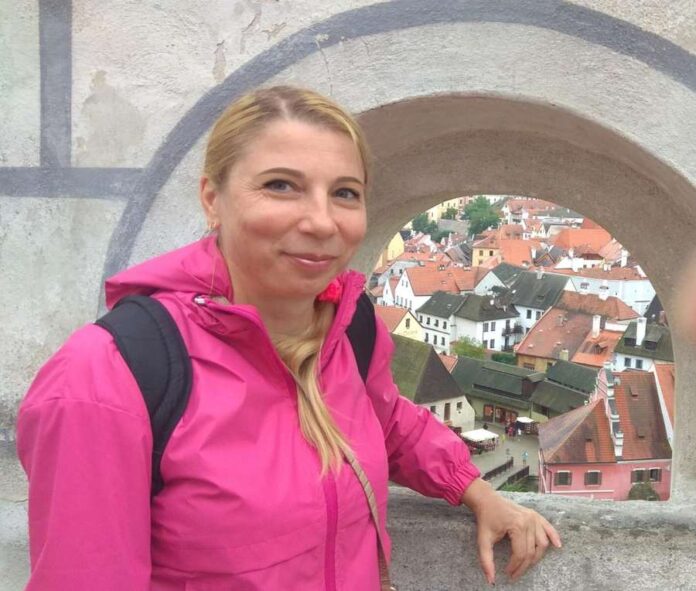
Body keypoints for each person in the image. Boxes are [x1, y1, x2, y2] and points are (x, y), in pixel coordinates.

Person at [16, 86, 560, 591]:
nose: (321, 222)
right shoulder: (107, 375)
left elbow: (385, 420)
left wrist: (475, 489)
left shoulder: (350, 326)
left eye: (344, 193)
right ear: (212, 198)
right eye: (281, 185)